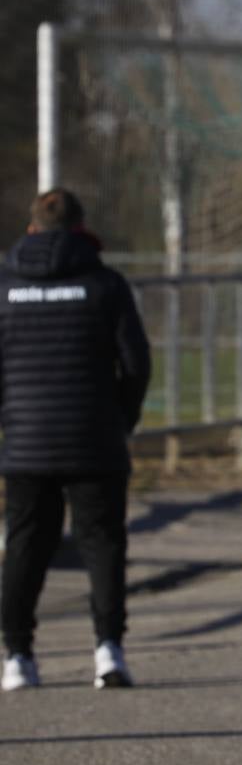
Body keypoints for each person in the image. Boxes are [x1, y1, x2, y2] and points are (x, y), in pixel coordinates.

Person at [0, 188, 151, 691]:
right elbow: (136, 363)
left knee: (25, 545)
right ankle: (108, 650)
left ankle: (18, 655)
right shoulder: (104, 284)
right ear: (82, 229)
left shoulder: (5, 286)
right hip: (95, 438)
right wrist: (121, 419)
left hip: (26, 443)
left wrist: (11, 423)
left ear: (31, 230)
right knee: (102, 544)